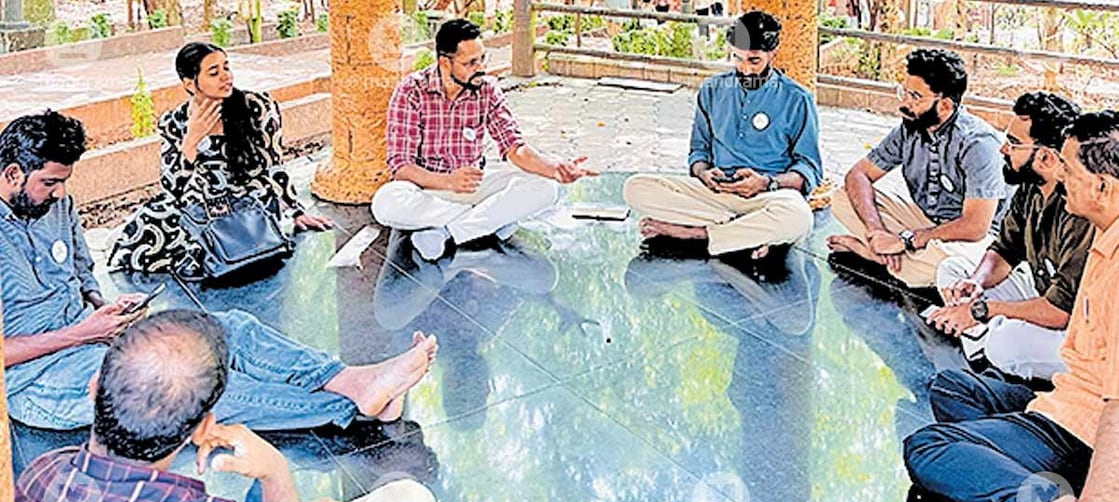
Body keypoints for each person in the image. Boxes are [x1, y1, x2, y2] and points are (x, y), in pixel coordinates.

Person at [0, 110, 436, 430]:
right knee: (179, 379)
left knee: (231, 329)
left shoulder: (59, 206)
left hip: (92, 333)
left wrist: (109, 310)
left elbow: (81, 277)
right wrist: (84, 334)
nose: (59, 195)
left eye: (64, 183)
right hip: (38, 379)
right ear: (12, 173)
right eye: (50, 184)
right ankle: (355, 405)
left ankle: (351, 379)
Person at [17, 310, 437, 502]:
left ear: (93, 389)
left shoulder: (43, 474)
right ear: (203, 427)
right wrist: (276, 477)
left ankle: (351, 392)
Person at [903, 111, 1119, 502]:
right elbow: (1003, 251)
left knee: (929, 446)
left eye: (1069, 168)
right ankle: (1049, 475)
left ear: (1102, 186)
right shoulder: (1104, 231)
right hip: (1064, 398)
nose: (1060, 174)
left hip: (1084, 427)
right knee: (952, 389)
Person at [372, 19, 596, 261]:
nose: (481, 68)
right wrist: (447, 181)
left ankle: (447, 233)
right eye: (470, 63)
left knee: (545, 187)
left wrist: (555, 168)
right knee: (386, 202)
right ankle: (488, 223)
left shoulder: (487, 89)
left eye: (482, 59)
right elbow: (400, 166)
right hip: (427, 189)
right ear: (445, 62)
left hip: (474, 185)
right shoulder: (411, 91)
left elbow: (514, 147)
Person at [109, 42, 333, 275]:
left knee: (214, 239)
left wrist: (296, 211)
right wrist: (191, 140)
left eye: (227, 67)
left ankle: (223, 251)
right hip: (206, 201)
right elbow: (172, 189)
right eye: (214, 73)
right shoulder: (173, 122)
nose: (226, 77)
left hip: (250, 199)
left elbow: (274, 164)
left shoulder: (257, 107)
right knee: (152, 220)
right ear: (189, 84)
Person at [623, 10, 821, 260]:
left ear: (773, 53)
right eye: (737, 58)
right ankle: (745, 230)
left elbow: (809, 169)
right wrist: (704, 173)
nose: (745, 69)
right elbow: (698, 151)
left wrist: (766, 182)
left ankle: (698, 233)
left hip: (766, 197)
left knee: (799, 217)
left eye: (754, 61)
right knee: (635, 188)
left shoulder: (797, 99)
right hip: (714, 196)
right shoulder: (712, 89)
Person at [927, 92, 1089, 382]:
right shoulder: (1030, 187)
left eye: (1014, 143)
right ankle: (983, 344)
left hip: (1081, 329)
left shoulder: (1079, 209)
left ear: (1046, 157)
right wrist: (975, 283)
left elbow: (1061, 312)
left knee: (1007, 343)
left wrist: (980, 310)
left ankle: (991, 344)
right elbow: (1004, 250)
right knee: (952, 271)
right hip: (1043, 296)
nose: (1002, 149)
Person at [827, 48, 1010, 288]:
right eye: (904, 92)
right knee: (842, 197)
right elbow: (858, 174)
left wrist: (908, 239)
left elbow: (975, 226)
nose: (904, 103)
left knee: (951, 266)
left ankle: (873, 255)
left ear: (944, 105)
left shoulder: (978, 144)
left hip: (971, 238)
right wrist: (876, 230)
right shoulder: (910, 127)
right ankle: (889, 253)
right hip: (925, 222)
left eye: (915, 97)